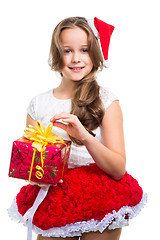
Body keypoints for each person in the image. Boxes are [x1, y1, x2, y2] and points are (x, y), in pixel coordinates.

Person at [8, 17, 147, 240]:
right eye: (67, 51)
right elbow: (31, 166)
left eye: (84, 50)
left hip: (101, 197)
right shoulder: (38, 103)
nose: (76, 59)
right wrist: (36, 178)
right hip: (56, 198)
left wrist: (84, 136)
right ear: (56, 54)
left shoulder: (106, 101)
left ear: (95, 53)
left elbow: (118, 169)